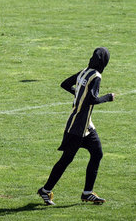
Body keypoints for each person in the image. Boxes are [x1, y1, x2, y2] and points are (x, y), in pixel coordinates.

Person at [37, 47, 115, 206]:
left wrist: (78, 93)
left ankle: (87, 192)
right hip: (78, 127)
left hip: (85, 126)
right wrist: (108, 97)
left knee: (97, 153)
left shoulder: (84, 71)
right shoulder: (96, 77)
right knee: (66, 160)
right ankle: (45, 191)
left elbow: (65, 84)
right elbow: (92, 99)